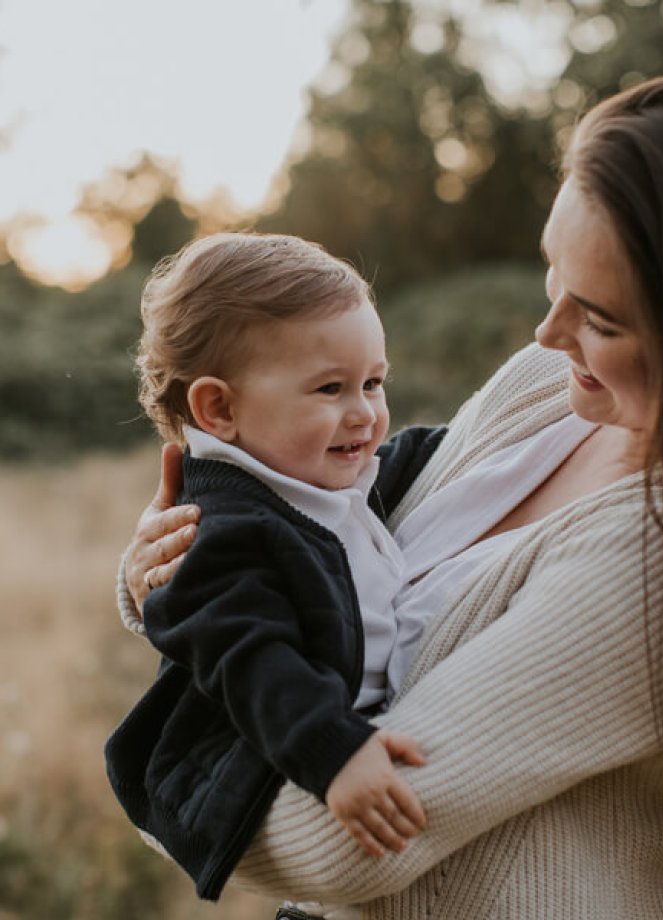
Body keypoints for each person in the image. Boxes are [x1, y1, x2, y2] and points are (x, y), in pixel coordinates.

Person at [118, 73, 663, 919]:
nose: (547, 332)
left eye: (602, 317)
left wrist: (169, 757)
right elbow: (333, 530)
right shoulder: (554, 386)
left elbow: (346, 846)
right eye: (554, 273)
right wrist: (178, 562)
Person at [105, 232, 453, 908]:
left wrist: (495, 431)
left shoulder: (311, 469)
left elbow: (412, 458)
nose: (366, 414)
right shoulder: (216, 531)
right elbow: (252, 656)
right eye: (331, 388)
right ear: (220, 409)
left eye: (374, 382)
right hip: (278, 765)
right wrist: (334, 751)